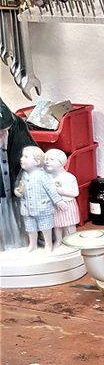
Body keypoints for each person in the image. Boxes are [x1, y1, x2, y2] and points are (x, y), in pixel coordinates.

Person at [14, 145, 66, 253]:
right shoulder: (23, 175)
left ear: (37, 162)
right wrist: (17, 192)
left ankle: (48, 245)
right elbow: (19, 187)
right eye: (22, 156)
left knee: (45, 227)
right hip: (27, 209)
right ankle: (32, 244)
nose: (21, 159)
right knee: (30, 228)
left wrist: (58, 201)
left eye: (26, 157)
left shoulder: (43, 175)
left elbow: (51, 190)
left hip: (42, 208)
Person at [0, 99, 34, 251]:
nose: (2, 134)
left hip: (12, 189)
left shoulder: (16, 125)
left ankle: (18, 242)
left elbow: (31, 154)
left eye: (4, 131)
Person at [44, 149, 80, 248]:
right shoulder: (47, 178)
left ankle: (72, 241)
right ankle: (58, 240)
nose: (47, 162)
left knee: (69, 224)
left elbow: (75, 193)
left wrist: (60, 190)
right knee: (56, 225)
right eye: (46, 159)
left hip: (67, 205)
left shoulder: (69, 177)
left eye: (51, 159)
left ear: (61, 162)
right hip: (54, 205)